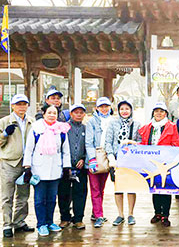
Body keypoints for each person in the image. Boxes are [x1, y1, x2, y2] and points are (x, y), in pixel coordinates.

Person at [23, 103, 71, 236]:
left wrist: (66, 167)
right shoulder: (36, 129)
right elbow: (29, 149)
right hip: (39, 169)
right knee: (39, 199)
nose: (52, 115)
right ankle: (41, 224)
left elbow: (65, 151)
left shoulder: (61, 130)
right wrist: (27, 167)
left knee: (51, 198)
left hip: (55, 169)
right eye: (49, 112)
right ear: (44, 114)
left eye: (54, 113)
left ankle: (50, 222)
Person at [0, 94, 35, 237]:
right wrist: (4, 134)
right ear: (13, 106)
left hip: (26, 164)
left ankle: (19, 222)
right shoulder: (4, 121)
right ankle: (7, 225)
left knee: (23, 196)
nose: (22, 106)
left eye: (24, 104)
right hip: (9, 164)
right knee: (7, 196)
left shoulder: (32, 122)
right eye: (18, 104)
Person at [139, 102, 179, 227]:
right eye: (156, 111)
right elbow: (143, 144)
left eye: (161, 111)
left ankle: (165, 215)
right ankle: (157, 213)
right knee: (155, 188)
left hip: (166, 163)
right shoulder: (147, 127)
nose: (158, 114)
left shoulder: (172, 127)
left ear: (165, 113)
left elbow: (176, 144)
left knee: (166, 189)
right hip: (151, 162)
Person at [105, 100, 141, 226]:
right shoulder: (113, 123)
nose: (124, 111)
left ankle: (131, 214)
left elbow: (141, 141)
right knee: (118, 187)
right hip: (116, 159)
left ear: (131, 110)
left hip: (131, 159)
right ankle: (120, 214)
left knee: (131, 187)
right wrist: (111, 157)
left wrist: (132, 143)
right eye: (122, 109)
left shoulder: (137, 124)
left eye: (127, 108)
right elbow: (108, 142)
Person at [57, 103, 88, 230]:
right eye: (76, 112)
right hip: (65, 166)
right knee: (63, 192)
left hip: (80, 166)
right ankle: (65, 218)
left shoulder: (86, 128)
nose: (79, 115)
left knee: (80, 192)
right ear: (71, 114)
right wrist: (66, 163)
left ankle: (78, 219)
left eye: (81, 112)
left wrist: (83, 158)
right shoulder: (63, 127)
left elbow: (89, 144)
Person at [86, 97, 113, 228]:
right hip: (96, 155)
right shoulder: (91, 122)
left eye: (106, 106)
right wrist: (91, 159)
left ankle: (95, 212)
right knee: (95, 187)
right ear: (96, 108)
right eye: (101, 106)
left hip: (108, 156)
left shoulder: (113, 121)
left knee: (101, 187)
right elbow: (88, 142)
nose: (104, 109)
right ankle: (99, 215)